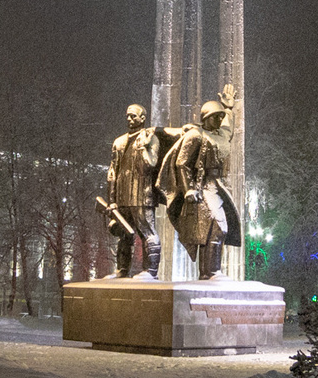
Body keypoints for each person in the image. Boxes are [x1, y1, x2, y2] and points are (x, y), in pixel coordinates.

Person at [157, 92, 240, 281]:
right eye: (217, 116)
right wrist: (188, 189)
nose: (221, 119)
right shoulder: (195, 135)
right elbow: (182, 163)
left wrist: (228, 108)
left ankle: (208, 273)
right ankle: (210, 273)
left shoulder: (220, 135)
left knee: (215, 229)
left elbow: (229, 128)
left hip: (216, 186)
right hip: (201, 187)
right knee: (217, 227)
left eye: (221, 116)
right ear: (206, 117)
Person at [98, 104, 169, 278]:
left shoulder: (150, 138)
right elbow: (113, 171)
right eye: (128, 116)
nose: (129, 119)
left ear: (143, 118)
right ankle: (122, 270)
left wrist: (144, 147)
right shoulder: (119, 142)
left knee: (147, 232)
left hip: (142, 194)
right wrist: (112, 199)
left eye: (133, 116)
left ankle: (150, 271)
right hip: (122, 196)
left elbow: (150, 165)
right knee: (124, 234)